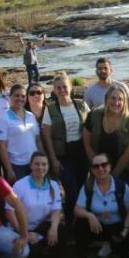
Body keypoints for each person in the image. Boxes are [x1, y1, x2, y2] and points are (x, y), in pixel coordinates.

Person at [73, 153, 129, 258]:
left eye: (104, 165)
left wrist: (125, 231)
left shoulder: (121, 186)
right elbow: (77, 209)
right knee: (80, 223)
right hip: (98, 226)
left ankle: (121, 249)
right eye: (96, 166)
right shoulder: (87, 187)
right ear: (92, 170)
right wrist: (89, 215)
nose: (100, 169)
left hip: (118, 228)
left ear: (110, 167)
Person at [42, 72, 90, 217]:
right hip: (62, 156)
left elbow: (90, 129)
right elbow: (47, 136)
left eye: (64, 87)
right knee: (71, 191)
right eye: (58, 88)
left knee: (82, 190)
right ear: (54, 90)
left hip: (81, 154)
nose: (62, 90)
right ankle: (70, 221)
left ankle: (80, 223)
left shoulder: (81, 105)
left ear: (70, 87)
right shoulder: (50, 109)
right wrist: (54, 160)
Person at [6, 152, 63, 258]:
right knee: (27, 256)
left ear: (48, 166)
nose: (40, 167)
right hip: (20, 228)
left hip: (40, 227)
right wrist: (24, 233)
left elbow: (56, 210)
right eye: (37, 164)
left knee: (60, 230)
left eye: (44, 164)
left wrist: (54, 228)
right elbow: (9, 212)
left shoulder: (54, 185)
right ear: (30, 166)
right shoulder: (20, 185)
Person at [83, 84, 129, 179]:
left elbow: (128, 153)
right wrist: (98, 167)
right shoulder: (93, 115)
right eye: (113, 98)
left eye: (120, 99)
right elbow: (87, 143)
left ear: (124, 102)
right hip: (98, 165)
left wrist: (113, 176)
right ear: (106, 99)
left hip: (122, 167)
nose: (116, 102)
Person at [0, 83, 42, 182]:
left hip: (35, 164)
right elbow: (0, 146)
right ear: (10, 97)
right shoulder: (3, 118)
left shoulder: (30, 116)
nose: (20, 98)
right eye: (16, 95)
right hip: (17, 166)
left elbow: (38, 140)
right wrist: (9, 170)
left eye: (23, 96)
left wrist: (43, 158)